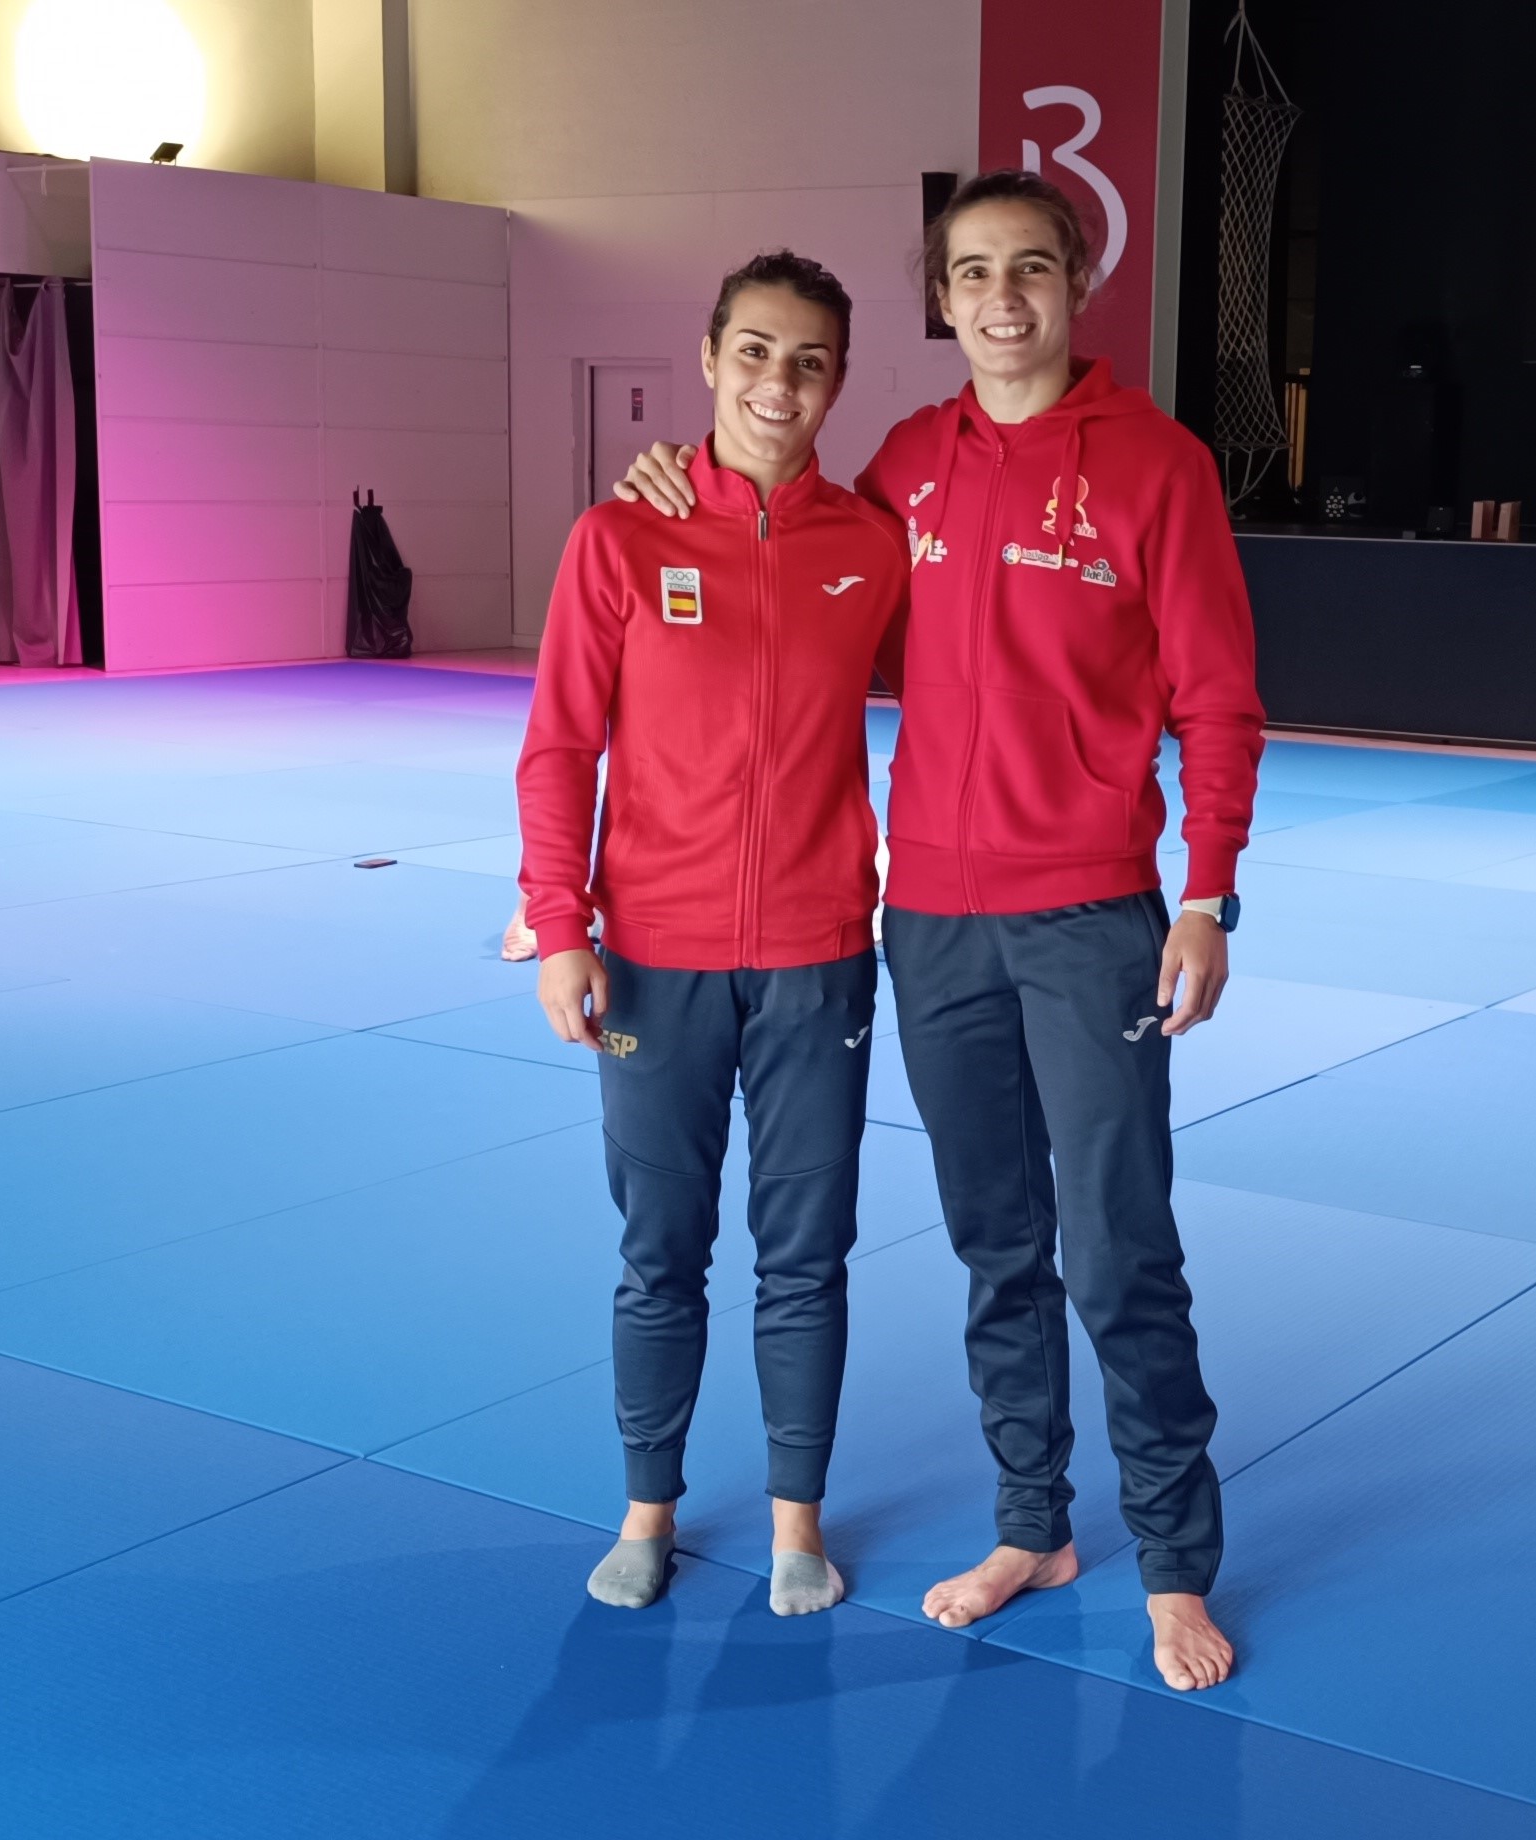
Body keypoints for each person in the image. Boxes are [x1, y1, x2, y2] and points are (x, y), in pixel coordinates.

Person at [618, 172, 1262, 1690]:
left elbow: (1219, 700)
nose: (1001, 298)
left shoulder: (1156, 467)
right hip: (933, 927)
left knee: (1119, 1251)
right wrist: (681, 487)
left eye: (1029, 268)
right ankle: (1032, 1522)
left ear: (1074, 281)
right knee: (995, 1246)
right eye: (971, 273)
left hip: (1095, 913)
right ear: (943, 295)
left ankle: (1175, 1560)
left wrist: (1211, 893)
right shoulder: (908, 465)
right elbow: (793, 555)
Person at [518, 251, 908, 1618]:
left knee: (806, 1252)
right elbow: (561, 745)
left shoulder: (872, 545)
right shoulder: (621, 539)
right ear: (708, 358)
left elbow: (985, 677)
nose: (778, 382)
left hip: (815, 958)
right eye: (754, 351)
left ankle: (798, 1520)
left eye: (807, 360)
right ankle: (649, 1507)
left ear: (839, 380)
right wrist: (560, 925)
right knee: (659, 1249)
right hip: (655, 962)